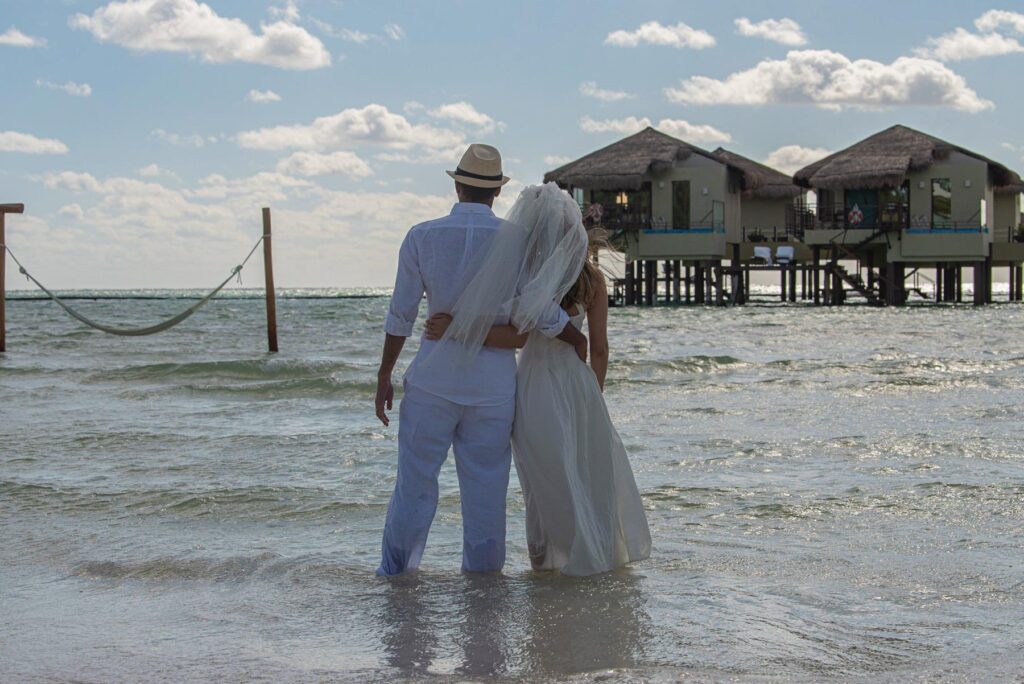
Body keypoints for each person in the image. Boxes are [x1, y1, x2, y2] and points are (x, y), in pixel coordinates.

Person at [374, 144, 588, 577]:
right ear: (496, 193)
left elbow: (402, 313)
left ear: (457, 185)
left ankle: (396, 578)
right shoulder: (517, 241)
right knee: (486, 492)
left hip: (433, 381)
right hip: (492, 389)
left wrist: (385, 374)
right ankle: (484, 590)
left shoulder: (421, 235)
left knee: (414, 487)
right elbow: (537, 307)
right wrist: (572, 334)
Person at [426, 183, 651, 576]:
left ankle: (545, 564)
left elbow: (515, 338)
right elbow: (599, 349)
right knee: (585, 471)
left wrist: (457, 329)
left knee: (541, 481)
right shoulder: (593, 281)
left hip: (533, 387)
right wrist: (593, 394)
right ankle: (595, 555)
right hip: (577, 385)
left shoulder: (527, 278)